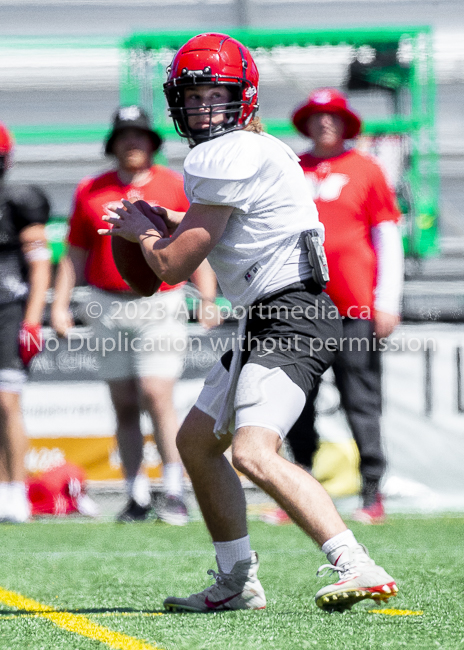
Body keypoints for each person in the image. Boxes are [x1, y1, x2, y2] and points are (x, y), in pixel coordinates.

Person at [101, 33, 398, 612]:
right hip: (265, 317)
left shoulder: (226, 153)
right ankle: (237, 581)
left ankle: (356, 561)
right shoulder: (257, 151)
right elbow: (204, 238)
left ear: (244, 97)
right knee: (195, 442)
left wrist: (143, 231)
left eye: (216, 95)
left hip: (290, 315)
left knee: (253, 452)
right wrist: (160, 220)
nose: (202, 107)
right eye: (193, 96)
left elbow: (169, 265)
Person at [51, 106, 219, 525]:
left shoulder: (173, 185)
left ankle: (175, 490)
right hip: (106, 303)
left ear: (152, 142)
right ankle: (136, 494)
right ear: (113, 143)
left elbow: (193, 241)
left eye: (140, 135)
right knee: (124, 402)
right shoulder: (92, 189)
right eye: (125, 135)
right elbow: (76, 250)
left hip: (160, 301)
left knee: (157, 395)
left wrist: (209, 295)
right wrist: (60, 302)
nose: (133, 143)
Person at [284, 88, 404, 524]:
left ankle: (373, 490)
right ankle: (297, 489)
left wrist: (386, 300)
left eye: (333, 115)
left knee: (362, 399)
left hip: (356, 310)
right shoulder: (291, 169)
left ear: (346, 122)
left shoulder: (367, 170)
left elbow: (386, 235)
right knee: (296, 401)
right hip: (300, 308)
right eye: (316, 115)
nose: (324, 123)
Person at [0, 122, 51, 523]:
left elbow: (40, 263)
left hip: (7, 310)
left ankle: (15, 491)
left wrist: (32, 319)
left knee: (6, 401)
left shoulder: (18, 200)